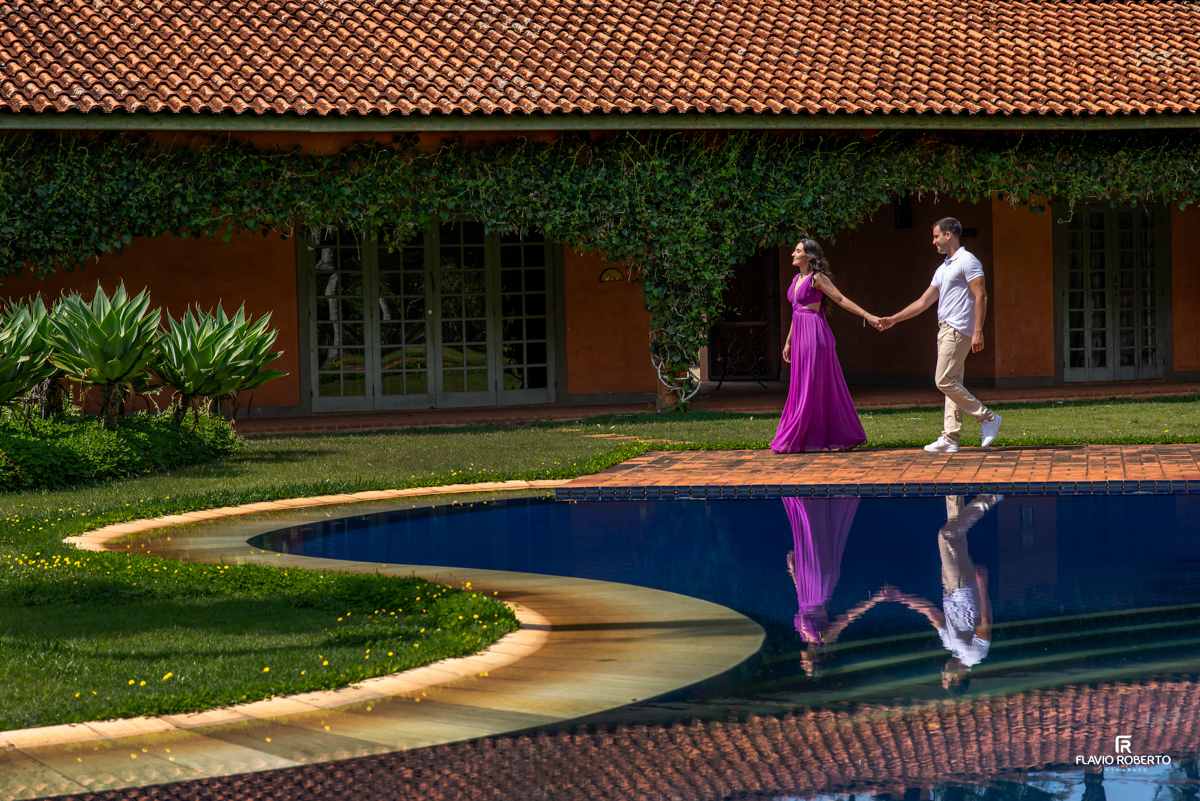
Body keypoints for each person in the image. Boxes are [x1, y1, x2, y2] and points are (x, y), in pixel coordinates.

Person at [876, 218, 1001, 453]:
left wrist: (978, 331)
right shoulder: (943, 268)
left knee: (943, 380)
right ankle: (950, 438)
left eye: (936, 236)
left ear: (948, 235)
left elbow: (981, 296)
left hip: (958, 329)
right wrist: (894, 319)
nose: (933, 241)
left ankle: (987, 417)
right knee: (952, 382)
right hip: (945, 329)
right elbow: (924, 301)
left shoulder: (968, 261)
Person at [885, 494, 999, 695]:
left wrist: (900, 597)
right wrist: (983, 585)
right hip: (963, 588)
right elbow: (986, 621)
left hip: (949, 588)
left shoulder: (950, 645)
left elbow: (931, 612)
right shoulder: (974, 656)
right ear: (957, 679)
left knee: (956, 531)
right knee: (946, 536)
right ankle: (991, 497)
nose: (942, 672)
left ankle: (953, 491)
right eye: (945, 677)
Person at [771, 239, 878, 453]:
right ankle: (805, 438)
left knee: (811, 386)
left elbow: (841, 299)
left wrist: (867, 315)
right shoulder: (796, 279)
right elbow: (796, 312)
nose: (793, 254)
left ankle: (811, 436)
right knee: (801, 386)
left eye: (798, 251)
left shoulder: (817, 278)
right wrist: (788, 341)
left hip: (814, 336)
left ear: (808, 255)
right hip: (799, 336)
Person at [784, 496, 881, 676]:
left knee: (810, 537)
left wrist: (793, 573)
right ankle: (815, 500)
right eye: (807, 665)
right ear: (816, 659)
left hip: (806, 586)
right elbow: (848, 616)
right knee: (815, 537)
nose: (803, 662)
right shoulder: (824, 637)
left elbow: (802, 604)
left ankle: (811, 499)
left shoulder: (804, 636)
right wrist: (875, 599)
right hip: (819, 584)